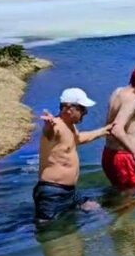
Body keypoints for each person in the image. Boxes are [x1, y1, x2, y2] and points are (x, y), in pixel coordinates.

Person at [33, 88, 112, 222]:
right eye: (82, 109)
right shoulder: (56, 125)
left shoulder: (70, 126)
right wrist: (48, 126)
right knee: (46, 231)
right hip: (52, 194)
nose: (85, 113)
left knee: (97, 210)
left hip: (69, 192)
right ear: (69, 109)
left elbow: (78, 138)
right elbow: (49, 134)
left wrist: (103, 131)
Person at [102, 62, 135, 190]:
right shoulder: (131, 99)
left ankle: (105, 209)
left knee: (121, 194)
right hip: (124, 158)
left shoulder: (118, 91)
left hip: (109, 154)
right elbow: (117, 128)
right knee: (133, 200)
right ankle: (95, 209)